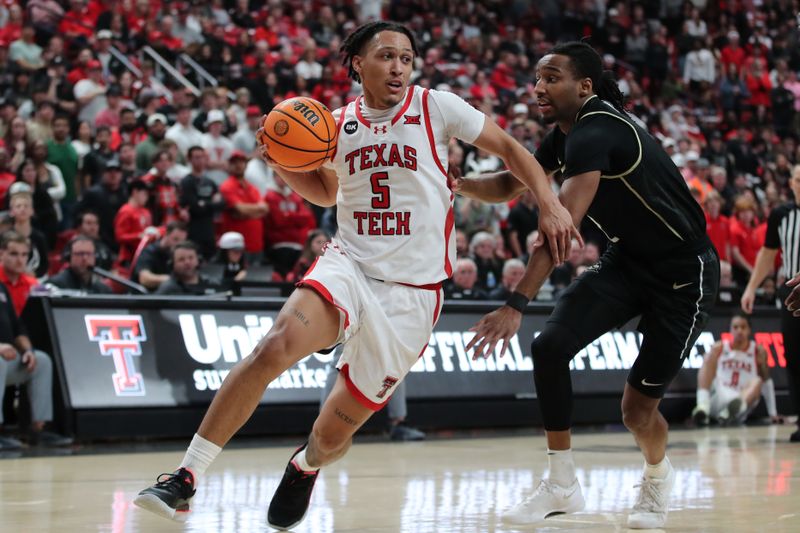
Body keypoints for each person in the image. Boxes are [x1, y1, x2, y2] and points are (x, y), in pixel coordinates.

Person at [134, 21, 577, 529]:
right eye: (386, 56)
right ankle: (185, 477)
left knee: (330, 439)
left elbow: (513, 152)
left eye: (406, 58)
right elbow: (325, 192)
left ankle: (303, 466)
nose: (398, 67)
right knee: (271, 348)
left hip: (412, 295)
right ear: (358, 65)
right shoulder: (337, 125)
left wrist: (549, 203)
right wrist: (281, 160)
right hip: (350, 264)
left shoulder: (437, 107)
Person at [456, 41, 719, 529]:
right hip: (627, 264)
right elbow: (511, 184)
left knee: (637, 412)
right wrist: (459, 183)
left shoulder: (598, 130)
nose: (538, 87)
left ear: (585, 85)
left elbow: (559, 228)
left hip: (684, 274)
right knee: (550, 346)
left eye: (551, 77)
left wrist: (516, 303)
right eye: (536, 77)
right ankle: (561, 484)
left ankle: (658, 478)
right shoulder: (565, 136)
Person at [741, 165, 800, 442]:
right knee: (795, 357)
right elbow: (767, 254)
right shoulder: (781, 215)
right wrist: (751, 288)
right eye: (799, 179)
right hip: (791, 293)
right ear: (791, 183)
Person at [0, 276, 72, 450]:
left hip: (7, 357)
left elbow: (18, 327)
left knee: (41, 361)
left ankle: (38, 429)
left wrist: (27, 351)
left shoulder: (1, 288)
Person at [692, 314, 781, 426]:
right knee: (708, 356)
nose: (739, 331)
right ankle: (703, 406)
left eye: (743, 327)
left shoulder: (757, 351)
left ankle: (730, 412)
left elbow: (766, 381)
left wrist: (773, 413)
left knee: (757, 381)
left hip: (742, 400)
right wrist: (711, 355)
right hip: (720, 395)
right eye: (735, 327)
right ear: (730, 330)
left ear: (749, 330)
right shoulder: (720, 347)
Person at [132, 221, 189, 291]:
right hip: (144, 296)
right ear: (166, 235)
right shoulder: (149, 252)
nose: (178, 244)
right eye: (175, 239)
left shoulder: (175, 254)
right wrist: (170, 279)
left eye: (182, 241)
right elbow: (144, 279)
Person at [47, 235, 111, 294]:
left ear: (96, 257)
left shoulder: (103, 290)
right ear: (69, 257)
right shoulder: (56, 285)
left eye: (89, 254)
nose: (85, 258)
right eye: (80, 254)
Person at [155, 241, 222, 295]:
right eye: (181, 259)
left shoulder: (212, 284)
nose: (187, 262)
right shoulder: (167, 289)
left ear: (198, 260)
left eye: (191, 258)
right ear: (172, 265)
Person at [0, 231, 38, 316]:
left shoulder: (32, 285)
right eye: (14, 254)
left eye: (24, 254)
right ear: (1, 254)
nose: (20, 260)